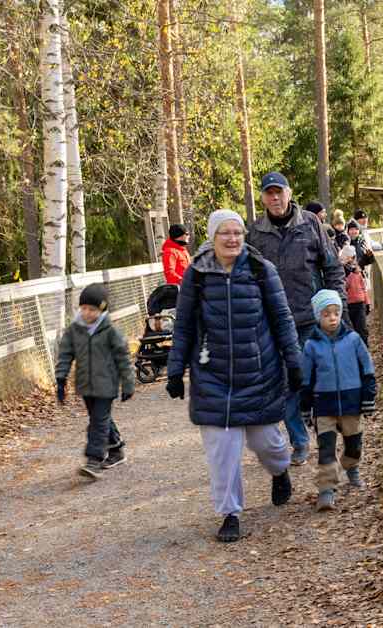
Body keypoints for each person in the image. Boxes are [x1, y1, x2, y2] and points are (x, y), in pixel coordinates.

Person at [167, 209, 303, 543]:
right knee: (221, 450)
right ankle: (230, 512)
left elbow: (283, 319)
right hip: (212, 376)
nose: (232, 239)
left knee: (266, 442)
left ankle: (280, 469)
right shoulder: (196, 275)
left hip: (259, 373)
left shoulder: (260, 270)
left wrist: (294, 361)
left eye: (238, 233)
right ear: (212, 238)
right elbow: (183, 326)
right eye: (225, 233)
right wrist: (174, 369)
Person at [245, 172, 347, 466]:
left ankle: (328, 433)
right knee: (287, 385)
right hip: (276, 324)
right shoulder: (256, 234)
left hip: (311, 317)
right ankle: (299, 441)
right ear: (263, 197)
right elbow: (250, 280)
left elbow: (332, 267)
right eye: (269, 193)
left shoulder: (310, 224)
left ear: (289, 193)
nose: (275, 198)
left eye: (279, 192)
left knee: (319, 381)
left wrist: (335, 305)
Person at [299, 289, 377, 511]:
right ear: (318, 317)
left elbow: (368, 370)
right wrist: (305, 407)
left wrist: (368, 397)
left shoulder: (353, 340)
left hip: (352, 403)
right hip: (324, 406)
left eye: (336, 313)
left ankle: (350, 467)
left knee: (354, 448)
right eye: (326, 314)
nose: (332, 318)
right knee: (326, 449)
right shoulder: (311, 346)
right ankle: (326, 490)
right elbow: (306, 379)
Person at [54, 283, 134, 479]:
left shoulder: (110, 331)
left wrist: (128, 383)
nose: (87, 313)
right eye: (84, 308)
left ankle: (94, 460)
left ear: (102, 310)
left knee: (98, 422)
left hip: (106, 385)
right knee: (100, 418)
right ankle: (116, 450)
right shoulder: (74, 330)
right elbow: (65, 354)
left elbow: (123, 358)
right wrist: (61, 378)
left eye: (93, 309)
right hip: (85, 384)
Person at [340, 245, 370, 345]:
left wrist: (367, 302)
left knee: (362, 329)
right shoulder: (342, 270)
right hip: (348, 304)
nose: (351, 259)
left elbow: (363, 287)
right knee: (351, 330)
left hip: (359, 303)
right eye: (348, 257)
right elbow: (343, 287)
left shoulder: (357, 270)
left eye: (352, 257)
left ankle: (364, 350)